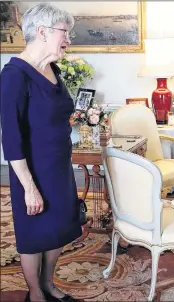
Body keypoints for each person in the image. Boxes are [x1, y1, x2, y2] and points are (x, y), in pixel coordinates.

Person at [0, 3, 82, 302]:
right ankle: (35, 293)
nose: (68, 40)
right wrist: (29, 187)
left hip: (58, 166)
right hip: (32, 170)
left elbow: (54, 111)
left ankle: (48, 283)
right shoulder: (14, 75)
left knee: (58, 227)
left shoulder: (52, 68)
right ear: (42, 31)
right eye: (65, 33)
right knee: (34, 233)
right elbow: (10, 137)